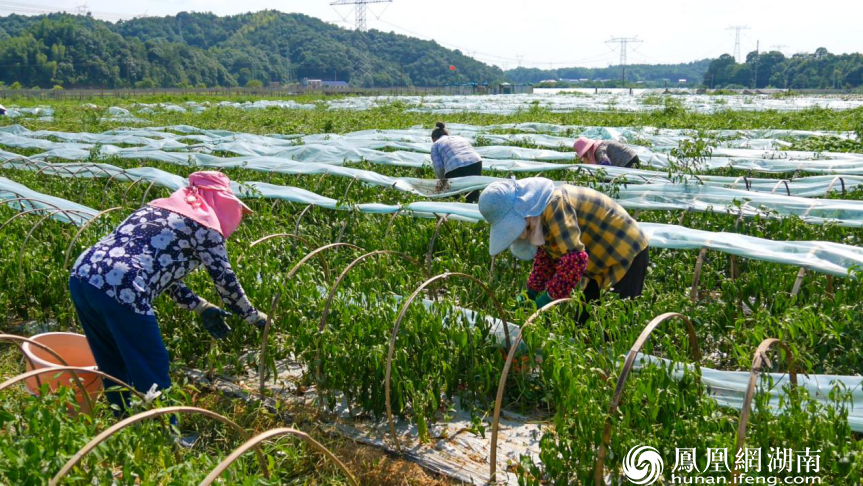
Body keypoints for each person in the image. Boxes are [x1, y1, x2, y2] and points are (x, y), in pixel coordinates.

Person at [69, 171, 267, 411]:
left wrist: (200, 306)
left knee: (112, 361)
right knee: (151, 365)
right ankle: (164, 434)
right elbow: (225, 280)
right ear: (219, 200)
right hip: (124, 287)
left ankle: (122, 423)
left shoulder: (154, 210)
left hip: (83, 274)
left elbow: (161, 272)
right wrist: (253, 316)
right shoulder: (205, 225)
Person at [478, 177, 649, 320]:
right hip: (597, 264)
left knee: (612, 324)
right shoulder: (536, 216)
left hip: (625, 252)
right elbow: (547, 257)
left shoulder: (554, 204)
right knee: (585, 324)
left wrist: (547, 299)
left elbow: (575, 258)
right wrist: (530, 291)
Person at [431, 122, 484, 203]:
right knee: (473, 192)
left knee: (454, 196)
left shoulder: (436, 144)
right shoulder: (459, 138)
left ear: (434, 139)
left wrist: (443, 182)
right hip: (476, 162)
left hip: (455, 166)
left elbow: (439, 168)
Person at [574, 137, 641, 169]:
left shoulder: (599, 149)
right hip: (629, 159)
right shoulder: (597, 147)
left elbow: (606, 163)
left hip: (629, 160)